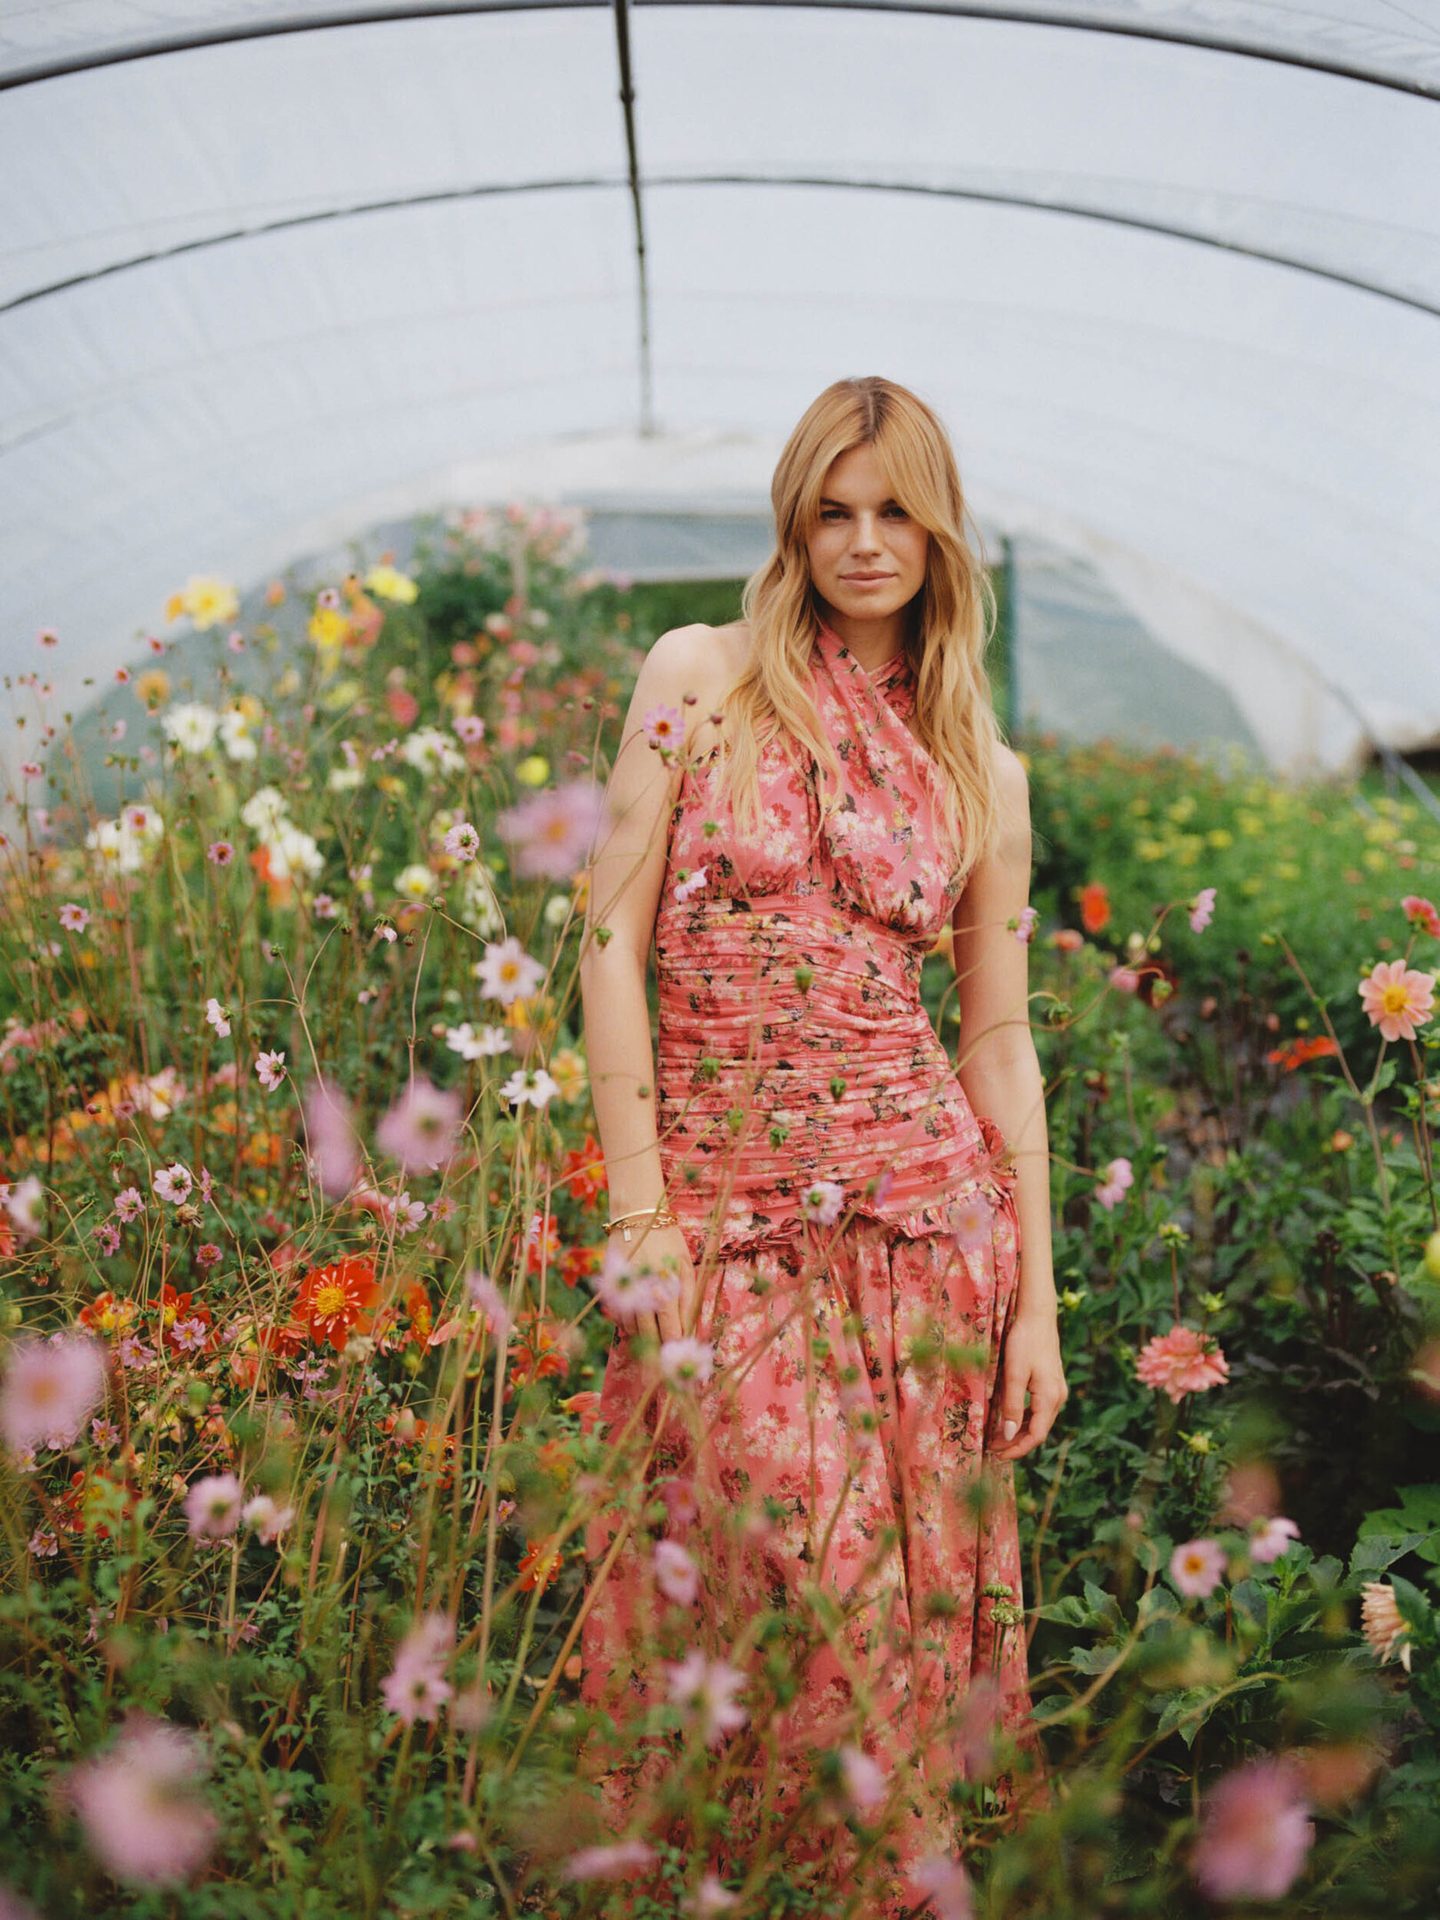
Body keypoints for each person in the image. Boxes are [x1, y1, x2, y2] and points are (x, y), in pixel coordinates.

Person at [573, 375, 1066, 1912]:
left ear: (941, 532)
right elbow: (607, 934)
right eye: (834, 509)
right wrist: (640, 1203)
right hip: (725, 1232)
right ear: (795, 519)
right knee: (769, 1597)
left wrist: (1038, 1300)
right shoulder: (702, 673)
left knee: (893, 1639)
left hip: (928, 1234)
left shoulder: (986, 766)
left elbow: (995, 1035)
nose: (864, 542)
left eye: (895, 511)